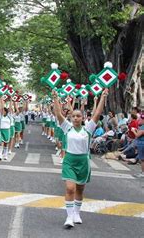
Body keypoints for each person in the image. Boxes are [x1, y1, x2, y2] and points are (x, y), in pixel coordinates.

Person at [52, 88, 108, 228]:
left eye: (78, 116)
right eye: (74, 116)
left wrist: (103, 97)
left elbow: (97, 113)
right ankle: (69, 217)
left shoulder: (88, 128)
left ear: (82, 118)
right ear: (71, 118)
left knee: (80, 189)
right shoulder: (67, 128)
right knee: (70, 188)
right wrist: (55, 98)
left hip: (83, 161)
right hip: (70, 161)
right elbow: (58, 113)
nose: (76, 118)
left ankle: (77, 213)